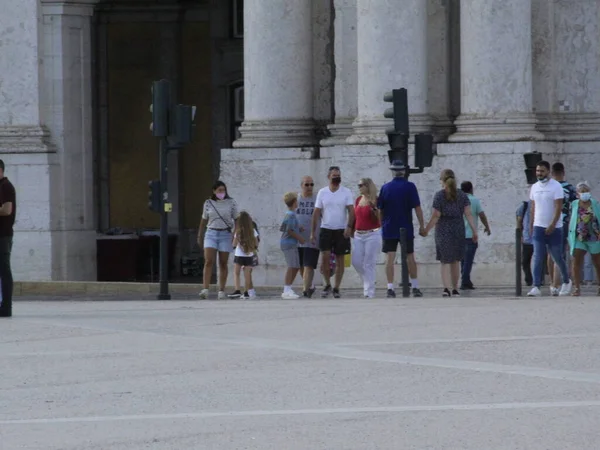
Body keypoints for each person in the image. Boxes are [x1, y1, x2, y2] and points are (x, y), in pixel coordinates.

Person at [423, 169, 478, 297]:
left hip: (443, 229)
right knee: (456, 261)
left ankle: (446, 289)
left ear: (442, 181)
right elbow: (468, 214)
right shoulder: (462, 195)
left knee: (445, 261)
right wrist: (474, 231)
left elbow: (436, 216)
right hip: (458, 229)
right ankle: (455, 288)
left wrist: (426, 229)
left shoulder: (439, 195)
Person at [378, 160, 425, 298]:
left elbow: (380, 209)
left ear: (392, 171)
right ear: (404, 171)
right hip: (406, 226)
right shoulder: (410, 187)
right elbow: (417, 208)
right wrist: (422, 225)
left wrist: (381, 224)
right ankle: (415, 286)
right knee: (410, 257)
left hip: (389, 227)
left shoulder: (385, 187)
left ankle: (390, 287)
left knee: (389, 258)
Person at [526, 161, 572, 297]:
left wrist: (552, 224)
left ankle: (566, 280)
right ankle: (536, 286)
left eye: (542, 171)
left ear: (548, 172)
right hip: (538, 227)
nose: (539, 173)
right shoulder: (534, 187)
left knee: (557, 256)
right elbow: (533, 207)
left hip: (555, 228)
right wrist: (531, 225)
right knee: (538, 256)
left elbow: (558, 207)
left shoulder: (556, 186)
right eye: (538, 171)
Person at [311, 166, 354, 298]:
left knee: (340, 258)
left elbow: (352, 211)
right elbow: (316, 212)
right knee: (325, 256)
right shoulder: (322, 192)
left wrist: (349, 226)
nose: (336, 178)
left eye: (338, 175)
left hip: (341, 229)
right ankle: (327, 284)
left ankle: (336, 287)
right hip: (326, 228)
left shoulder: (346, 192)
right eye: (334, 175)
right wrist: (313, 232)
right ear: (329, 177)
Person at [197, 181, 239, 300]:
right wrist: (200, 235)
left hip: (225, 233)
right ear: (214, 191)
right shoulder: (208, 203)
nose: (222, 193)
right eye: (219, 190)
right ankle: (205, 289)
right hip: (211, 232)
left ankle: (221, 290)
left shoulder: (231, 202)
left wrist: (234, 234)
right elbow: (204, 220)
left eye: (223, 190)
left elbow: (237, 219)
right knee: (209, 260)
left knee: (223, 262)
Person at [546, 162, 577, 295]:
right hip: (564, 222)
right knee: (563, 253)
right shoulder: (570, 189)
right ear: (563, 172)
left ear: (552, 173)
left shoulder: (548, 187)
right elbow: (574, 207)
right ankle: (565, 281)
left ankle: (553, 283)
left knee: (551, 253)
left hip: (548, 222)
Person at [567, 181, 600, 296]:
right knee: (576, 261)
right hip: (579, 236)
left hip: (594, 236)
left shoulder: (595, 203)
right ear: (577, 193)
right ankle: (576, 288)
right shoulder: (574, 204)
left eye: (586, 191)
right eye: (582, 192)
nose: (584, 194)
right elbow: (571, 219)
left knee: (597, 262)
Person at [351, 178, 381, 298]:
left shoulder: (375, 200)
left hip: (372, 234)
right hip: (359, 234)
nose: (359, 187)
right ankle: (369, 281)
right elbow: (355, 217)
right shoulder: (358, 200)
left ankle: (369, 292)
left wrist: (374, 209)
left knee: (369, 263)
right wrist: (350, 228)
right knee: (356, 262)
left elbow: (378, 219)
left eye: (361, 185)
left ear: (368, 186)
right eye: (358, 185)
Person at [459, 181, 491, 290]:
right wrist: (487, 226)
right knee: (468, 260)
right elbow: (481, 215)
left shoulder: (458, 201)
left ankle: (467, 281)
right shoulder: (474, 200)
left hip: (459, 235)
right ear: (471, 189)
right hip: (471, 235)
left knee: (463, 260)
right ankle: (464, 281)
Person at [296, 176, 320, 298]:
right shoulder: (296, 199)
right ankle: (310, 285)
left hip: (313, 237)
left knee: (308, 265)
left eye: (311, 184)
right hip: (298, 238)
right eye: (307, 184)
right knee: (300, 265)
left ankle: (305, 290)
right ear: (302, 185)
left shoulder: (317, 198)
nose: (310, 187)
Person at [228, 211, 259, 299]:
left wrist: (236, 244)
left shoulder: (238, 231)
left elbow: (234, 244)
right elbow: (256, 242)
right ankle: (246, 292)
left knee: (236, 273)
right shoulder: (252, 230)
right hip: (249, 255)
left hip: (239, 255)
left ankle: (237, 290)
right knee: (247, 275)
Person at [280, 192, 305, 299]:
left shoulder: (291, 214)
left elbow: (283, 227)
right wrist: (300, 238)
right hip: (288, 244)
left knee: (296, 266)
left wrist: (298, 228)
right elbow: (288, 230)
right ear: (294, 202)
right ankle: (286, 289)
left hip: (291, 244)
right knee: (292, 266)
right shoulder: (290, 215)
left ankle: (289, 287)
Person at [0, 160, 16, 318]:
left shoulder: (6, 186)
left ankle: (6, 307)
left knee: (4, 271)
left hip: (3, 236)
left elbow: (7, 209)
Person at [516, 199, 534, 286]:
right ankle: (529, 280)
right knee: (525, 261)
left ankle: (538, 279)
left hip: (538, 237)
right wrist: (520, 234)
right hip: (528, 238)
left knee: (540, 260)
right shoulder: (525, 205)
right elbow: (519, 220)